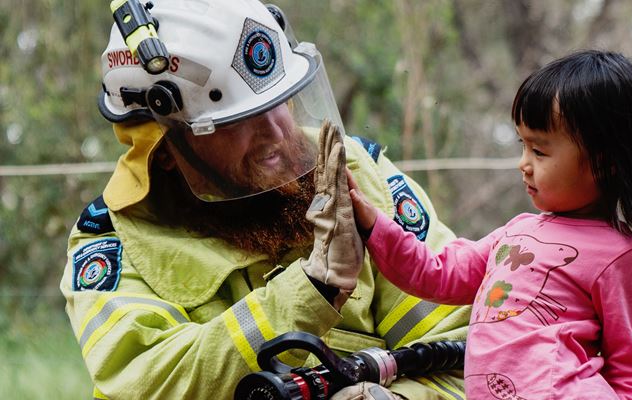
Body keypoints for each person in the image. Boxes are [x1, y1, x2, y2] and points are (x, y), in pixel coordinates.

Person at [59, 0, 469, 398]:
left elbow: (467, 348)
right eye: (240, 119)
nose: (278, 131)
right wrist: (312, 292)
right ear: (162, 148)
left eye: (280, 100)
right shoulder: (114, 242)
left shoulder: (360, 173)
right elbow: (150, 383)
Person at [348, 50, 632, 399]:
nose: (523, 164)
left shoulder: (620, 256)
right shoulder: (515, 234)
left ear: (602, 163)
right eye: (523, 146)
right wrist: (374, 224)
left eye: (539, 151)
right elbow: (435, 272)